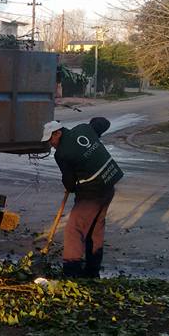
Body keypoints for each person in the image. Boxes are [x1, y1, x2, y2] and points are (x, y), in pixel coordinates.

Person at [41, 118, 123, 278]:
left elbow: (70, 184)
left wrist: (69, 184)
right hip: (109, 184)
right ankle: (92, 273)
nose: (51, 144)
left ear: (58, 132)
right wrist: (93, 134)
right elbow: (104, 122)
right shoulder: (84, 129)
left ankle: (71, 273)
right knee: (95, 230)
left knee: (74, 229)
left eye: (51, 139)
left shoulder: (62, 153)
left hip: (92, 192)